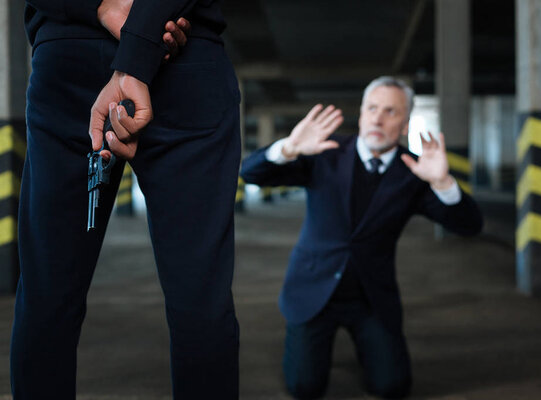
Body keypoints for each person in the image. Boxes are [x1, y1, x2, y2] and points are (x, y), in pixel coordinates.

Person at [12, 1, 240, 399]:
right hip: (180, 50)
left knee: (48, 293)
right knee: (199, 296)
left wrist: (102, 9)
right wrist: (140, 36)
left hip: (69, 56)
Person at [240, 76, 483, 399]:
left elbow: (469, 226)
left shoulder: (413, 172)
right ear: (362, 113)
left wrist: (443, 183)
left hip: (371, 298)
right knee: (304, 388)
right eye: (372, 109)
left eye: (390, 111)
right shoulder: (325, 152)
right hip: (312, 290)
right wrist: (288, 148)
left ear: (406, 122)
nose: (378, 118)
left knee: (392, 387)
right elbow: (250, 173)